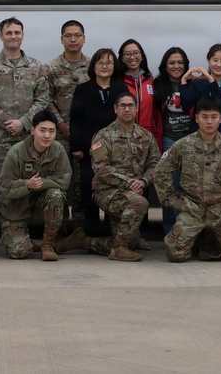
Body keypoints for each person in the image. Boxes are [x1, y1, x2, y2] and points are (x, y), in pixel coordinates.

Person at [0, 17, 50, 253]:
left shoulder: (36, 67)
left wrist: (24, 123)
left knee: (24, 188)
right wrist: (7, 122)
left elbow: (43, 99)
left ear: (23, 35)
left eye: (17, 32)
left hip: (25, 140)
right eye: (9, 33)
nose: (13, 36)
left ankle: (21, 234)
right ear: (1, 36)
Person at [56, 92, 160, 262]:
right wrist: (129, 183)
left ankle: (82, 241)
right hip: (107, 192)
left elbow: (155, 165)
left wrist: (143, 181)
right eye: (122, 106)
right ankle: (119, 250)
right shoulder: (103, 136)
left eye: (130, 105)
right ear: (115, 109)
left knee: (130, 242)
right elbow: (101, 169)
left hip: (133, 192)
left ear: (137, 109)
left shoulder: (146, 137)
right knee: (139, 203)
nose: (127, 109)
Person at [155, 96, 221, 263]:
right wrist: (174, 201)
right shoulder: (182, 145)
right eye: (204, 117)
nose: (209, 122)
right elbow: (160, 172)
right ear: (196, 118)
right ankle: (200, 241)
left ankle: (209, 242)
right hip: (192, 210)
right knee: (175, 254)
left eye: (214, 117)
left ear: (220, 119)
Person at [68, 48, 128, 236]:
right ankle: (92, 230)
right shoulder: (83, 89)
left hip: (116, 149)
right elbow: (75, 119)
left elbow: (127, 118)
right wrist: (76, 146)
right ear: (93, 66)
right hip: (89, 149)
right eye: (100, 63)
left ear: (114, 66)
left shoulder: (121, 89)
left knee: (114, 186)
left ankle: (112, 231)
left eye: (109, 63)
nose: (104, 66)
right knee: (88, 188)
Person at [0, 111, 71, 261]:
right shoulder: (16, 152)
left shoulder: (58, 150)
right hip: (16, 207)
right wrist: (27, 184)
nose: (47, 136)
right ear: (32, 130)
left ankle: (47, 245)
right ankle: (24, 240)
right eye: (42, 130)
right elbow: (4, 186)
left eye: (51, 131)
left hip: (42, 206)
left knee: (55, 194)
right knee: (19, 252)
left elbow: (64, 181)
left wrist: (41, 183)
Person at [47, 20, 90, 228]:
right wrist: (62, 125)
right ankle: (60, 226)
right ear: (61, 39)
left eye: (77, 35)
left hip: (85, 135)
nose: (73, 39)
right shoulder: (51, 68)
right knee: (60, 180)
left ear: (84, 38)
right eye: (68, 35)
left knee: (83, 181)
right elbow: (46, 100)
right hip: (59, 134)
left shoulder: (92, 66)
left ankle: (81, 228)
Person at [154, 46, 192, 234]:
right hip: (169, 140)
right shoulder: (158, 85)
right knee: (171, 187)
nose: (176, 66)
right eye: (172, 62)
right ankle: (170, 230)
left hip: (192, 141)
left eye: (180, 62)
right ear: (165, 65)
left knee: (191, 186)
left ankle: (189, 230)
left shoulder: (193, 83)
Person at [180, 43, 221, 139]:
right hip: (198, 137)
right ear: (208, 61)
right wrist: (183, 81)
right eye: (215, 60)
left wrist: (211, 80)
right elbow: (186, 105)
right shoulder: (198, 83)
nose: (219, 64)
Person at [118, 39, 161, 144]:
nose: (132, 57)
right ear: (122, 58)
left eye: (136, 53)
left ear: (142, 56)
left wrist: (158, 138)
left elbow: (157, 113)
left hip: (147, 135)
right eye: (127, 54)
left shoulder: (150, 81)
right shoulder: (118, 82)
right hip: (123, 136)